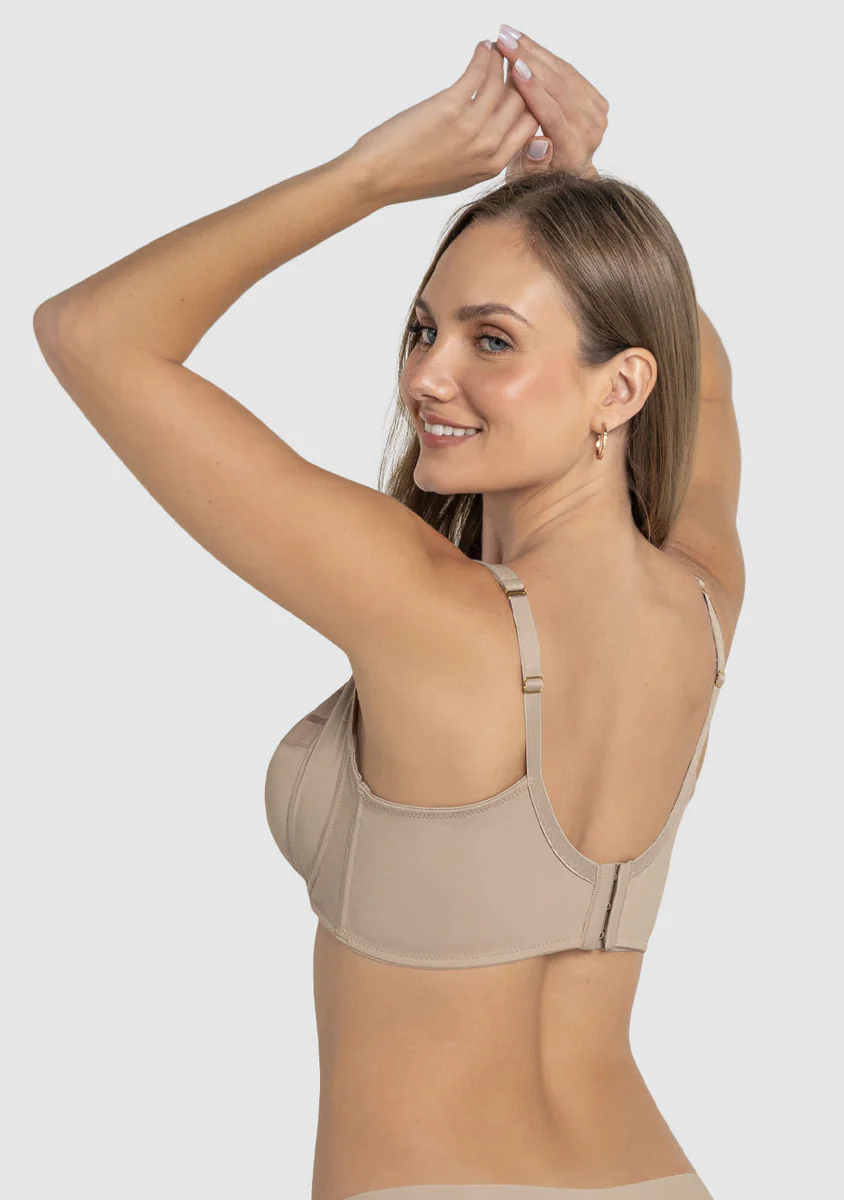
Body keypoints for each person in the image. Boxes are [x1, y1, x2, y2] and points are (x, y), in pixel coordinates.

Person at [33, 23, 744, 1200]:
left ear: (622, 385)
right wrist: (580, 192)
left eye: (491, 339)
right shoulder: (704, 603)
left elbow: (92, 333)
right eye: (425, 327)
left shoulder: (428, 610)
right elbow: (702, 383)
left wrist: (369, 174)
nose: (426, 376)